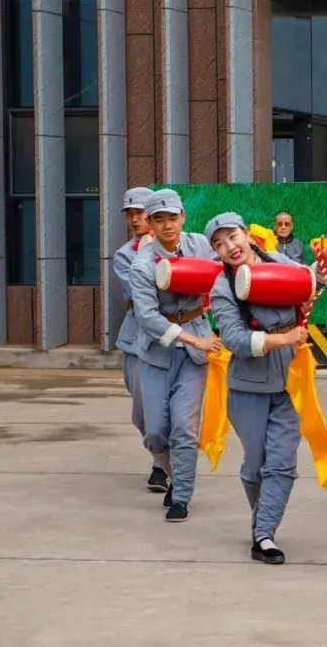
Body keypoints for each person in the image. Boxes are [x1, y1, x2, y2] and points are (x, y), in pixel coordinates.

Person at [207, 212, 324, 564]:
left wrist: (322, 274)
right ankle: (263, 522)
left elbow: (307, 286)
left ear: (247, 234)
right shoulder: (223, 288)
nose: (230, 247)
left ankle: (264, 534)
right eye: (219, 244)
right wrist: (282, 338)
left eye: (233, 237)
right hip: (248, 387)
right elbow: (235, 340)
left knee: (283, 463)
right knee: (256, 465)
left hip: (291, 380)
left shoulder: (281, 261)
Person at [129, 189, 222, 523]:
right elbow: (147, 317)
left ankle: (181, 494)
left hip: (195, 352)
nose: (167, 225)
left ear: (183, 216)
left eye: (172, 217)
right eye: (159, 219)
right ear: (151, 224)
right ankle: (171, 471)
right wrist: (191, 340)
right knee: (153, 430)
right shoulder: (143, 263)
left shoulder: (201, 245)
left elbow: (236, 264)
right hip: (158, 350)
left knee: (185, 427)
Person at [112, 187, 168, 493]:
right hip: (137, 335)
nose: (135, 219)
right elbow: (139, 293)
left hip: (177, 335)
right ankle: (160, 458)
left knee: (172, 408)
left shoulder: (182, 246)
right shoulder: (124, 256)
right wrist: (146, 253)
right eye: (130, 214)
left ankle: (165, 467)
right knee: (142, 410)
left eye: (140, 213)